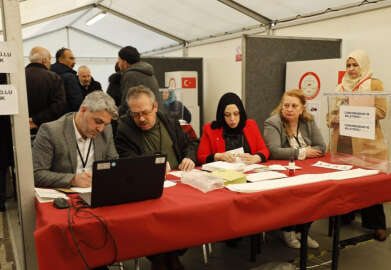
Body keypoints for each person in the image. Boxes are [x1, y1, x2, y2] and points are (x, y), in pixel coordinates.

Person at [115, 85, 196, 270]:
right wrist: (153, 165)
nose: (141, 118)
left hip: (180, 187)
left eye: (145, 112)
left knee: (189, 219)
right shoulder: (124, 130)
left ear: (155, 107)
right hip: (147, 192)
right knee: (154, 224)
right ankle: (166, 260)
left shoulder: (170, 121)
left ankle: (167, 258)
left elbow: (190, 143)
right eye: (135, 114)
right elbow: (127, 160)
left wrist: (188, 157)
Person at [327, 50, 387, 241]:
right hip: (342, 144)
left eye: (355, 65)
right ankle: (345, 215)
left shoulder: (374, 84)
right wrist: (333, 118)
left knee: (370, 185)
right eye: (348, 65)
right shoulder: (339, 87)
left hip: (366, 145)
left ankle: (376, 224)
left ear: (364, 65)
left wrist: (354, 112)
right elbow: (329, 115)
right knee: (344, 184)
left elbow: (382, 111)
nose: (351, 69)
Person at [263, 89, 326, 249]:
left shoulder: (308, 121)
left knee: (317, 195)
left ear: (302, 108)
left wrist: (302, 154)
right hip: (284, 173)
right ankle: (288, 230)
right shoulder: (273, 123)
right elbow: (275, 151)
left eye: (294, 106)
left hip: (307, 171)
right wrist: (303, 152)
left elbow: (321, 147)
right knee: (294, 198)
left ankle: (302, 231)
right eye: (286, 105)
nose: (289, 109)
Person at [32, 91, 118, 189]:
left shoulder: (106, 130)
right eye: (98, 121)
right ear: (83, 110)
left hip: (97, 190)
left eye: (105, 124)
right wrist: (72, 180)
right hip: (65, 193)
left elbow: (114, 163)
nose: (101, 129)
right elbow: (37, 174)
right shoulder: (51, 131)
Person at [197, 92, 269, 165]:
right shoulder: (211, 129)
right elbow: (201, 157)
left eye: (236, 114)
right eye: (227, 115)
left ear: (241, 113)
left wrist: (256, 158)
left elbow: (264, 150)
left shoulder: (250, 125)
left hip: (248, 170)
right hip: (223, 173)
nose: (232, 119)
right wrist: (219, 156)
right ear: (222, 115)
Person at [25, 46, 66, 133]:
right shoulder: (54, 78)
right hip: (45, 130)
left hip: (19, 130)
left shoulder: (16, 77)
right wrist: (35, 120)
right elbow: (59, 107)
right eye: (50, 59)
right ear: (44, 60)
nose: (50, 63)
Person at [116, 46, 160, 116]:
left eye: (119, 61)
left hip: (142, 118)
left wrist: (115, 113)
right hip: (155, 116)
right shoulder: (148, 72)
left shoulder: (130, 75)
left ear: (124, 62)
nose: (118, 64)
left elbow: (127, 103)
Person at [51, 47, 83, 112]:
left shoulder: (48, 74)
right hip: (66, 117)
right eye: (71, 58)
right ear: (60, 59)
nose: (74, 62)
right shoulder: (69, 77)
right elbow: (77, 102)